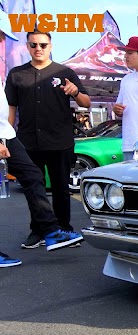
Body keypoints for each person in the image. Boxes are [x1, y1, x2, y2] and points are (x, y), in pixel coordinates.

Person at [0, 15, 83, 266]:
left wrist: (76, 92)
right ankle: (43, 230)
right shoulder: (16, 74)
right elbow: (10, 108)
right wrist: (4, 137)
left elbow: (85, 102)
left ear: (51, 46)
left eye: (43, 45)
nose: (38, 49)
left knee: (54, 186)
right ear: (27, 47)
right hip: (26, 139)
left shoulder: (64, 72)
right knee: (32, 183)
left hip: (58, 141)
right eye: (33, 45)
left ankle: (59, 229)